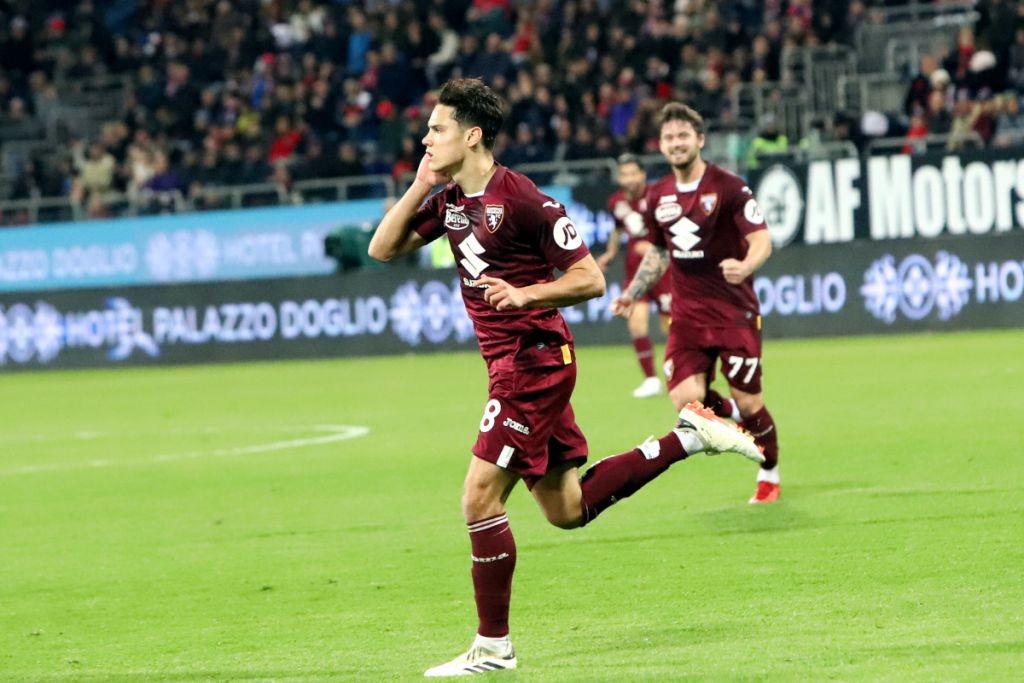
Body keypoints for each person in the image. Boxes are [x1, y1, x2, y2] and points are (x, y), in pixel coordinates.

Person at [368, 79, 763, 677]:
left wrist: (525, 294)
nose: (426, 139)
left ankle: (493, 647)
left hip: (532, 362)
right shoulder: (447, 199)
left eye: (437, 129)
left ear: (471, 136)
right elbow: (381, 249)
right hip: (512, 363)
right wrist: (420, 184)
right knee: (566, 508)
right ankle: (687, 437)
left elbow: (589, 279)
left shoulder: (523, 199)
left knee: (478, 498)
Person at [611, 102, 781, 505]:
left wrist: (746, 265)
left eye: (684, 135)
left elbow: (761, 239)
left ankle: (769, 471)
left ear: (700, 140)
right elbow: (658, 252)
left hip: (734, 313)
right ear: (661, 145)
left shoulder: (729, 187)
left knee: (750, 402)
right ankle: (734, 415)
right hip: (687, 316)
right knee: (686, 401)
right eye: (669, 137)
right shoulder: (658, 195)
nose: (677, 143)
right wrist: (633, 291)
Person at [596, 154, 671, 398]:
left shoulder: (658, 197)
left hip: (662, 270)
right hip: (634, 271)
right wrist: (610, 253)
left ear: (642, 174)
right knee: (636, 324)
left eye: (632, 173)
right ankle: (651, 380)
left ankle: (681, 371)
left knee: (670, 327)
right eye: (624, 174)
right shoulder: (616, 202)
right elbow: (618, 230)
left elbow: (672, 231)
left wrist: (655, 248)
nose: (628, 179)